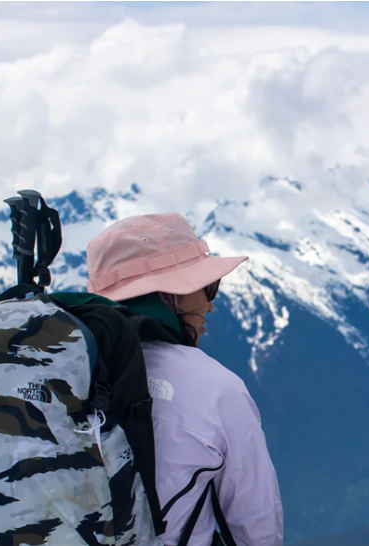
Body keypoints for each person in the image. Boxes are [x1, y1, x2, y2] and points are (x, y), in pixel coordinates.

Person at [86, 212, 283, 546]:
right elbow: (257, 528)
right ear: (169, 296)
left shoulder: (65, 369)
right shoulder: (215, 389)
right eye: (208, 288)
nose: (210, 304)